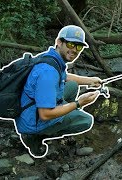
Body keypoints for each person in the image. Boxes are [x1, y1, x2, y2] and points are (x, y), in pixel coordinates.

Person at [15, 25, 101, 158]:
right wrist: (79, 103)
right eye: (71, 44)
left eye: (78, 47)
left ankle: (64, 114)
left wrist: (89, 81)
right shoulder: (48, 74)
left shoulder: (52, 58)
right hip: (33, 121)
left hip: (29, 107)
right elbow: (44, 114)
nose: (74, 50)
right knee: (86, 121)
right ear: (59, 42)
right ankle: (35, 136)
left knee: (72, 85)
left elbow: (65, 77)